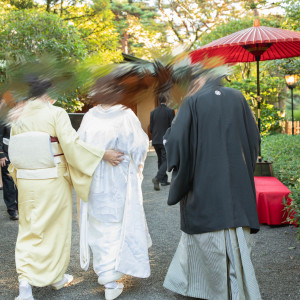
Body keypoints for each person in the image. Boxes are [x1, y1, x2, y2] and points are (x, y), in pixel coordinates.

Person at [7, 78, 123, 300]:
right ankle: (55, 275)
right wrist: (102, 154)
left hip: (26, 180)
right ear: (48, 91)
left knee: (29, 228)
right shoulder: (55, 113)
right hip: (52, 179)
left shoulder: (18, 114)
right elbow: (72, 145)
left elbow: (14, 150)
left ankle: (26, 285)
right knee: (55, 229)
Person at [163, 79, 262, 300]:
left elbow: (177, 142)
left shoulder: (191, 101)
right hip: (236, 187)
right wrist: (243, 171)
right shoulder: (238, 97)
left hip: (204, 186)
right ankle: (236, 290)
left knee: (205, 243)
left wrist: (170, 136)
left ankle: (208, 290)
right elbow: (254, 139)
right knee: (236, 243)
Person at [78, 103, 152, 300]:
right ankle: (111, 274)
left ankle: (106, 272)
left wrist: (99, 154)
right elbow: (139, 146)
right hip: (119, 176)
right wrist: (133, 164)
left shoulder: (91, 116)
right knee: (117, 223)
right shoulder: (125, 114)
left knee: (100, 224)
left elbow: (79, 146)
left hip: (96, 177)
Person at [150, 94, 175, 191]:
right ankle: (157, 178)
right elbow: (172, 127)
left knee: (160, 159)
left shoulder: (153, 112)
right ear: (167, 100)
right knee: (167, 159)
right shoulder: (170, 111)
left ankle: (164, 180)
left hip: (155, 139)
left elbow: (151, 128)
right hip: (165, 139)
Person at [0, 122, 18, 220]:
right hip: (6, 153)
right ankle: (12, 209)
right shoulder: (4, 116)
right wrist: (1, 154)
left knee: (21, 180)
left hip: (21, 153)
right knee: (8, 181)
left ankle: (21, 206)